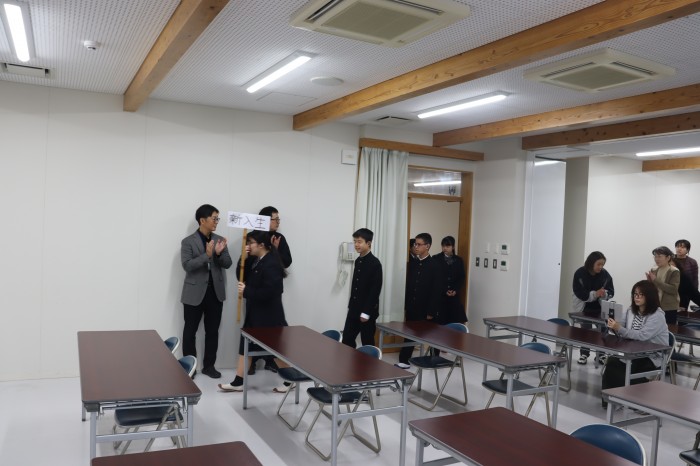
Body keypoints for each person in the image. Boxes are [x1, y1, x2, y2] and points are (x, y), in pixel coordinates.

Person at [218, 231, 291, 393]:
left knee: (273, 352)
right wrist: (243, 259)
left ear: (261, 244)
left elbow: (272, 291)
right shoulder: (256, 260)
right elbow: (241, 277)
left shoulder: (271, 263)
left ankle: (292, 378)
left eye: (250, 242)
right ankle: (238, 381)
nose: (248, 246)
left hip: (268, 317)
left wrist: (247, 291)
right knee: (246, 346)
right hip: (255, 313)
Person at [180, 204, 233, 379]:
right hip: (193, 293)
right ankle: (190, 367)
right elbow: (187, 265)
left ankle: (209, 366)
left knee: (212, 331)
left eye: (218, 218)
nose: (217, 221)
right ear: (202, 220)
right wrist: (207, 256)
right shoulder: (188, 241)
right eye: (214, 218)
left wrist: (217, 254)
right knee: (190, 332)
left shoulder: (220, 240)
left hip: (215, 293)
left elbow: (228, 263)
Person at [602, 280, 669, 408]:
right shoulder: (631, 310)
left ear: (649, 296)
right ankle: (610, 401)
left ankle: (631, 401)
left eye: (641, 295)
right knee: (612, 362)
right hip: (632, 351)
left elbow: (642, 336)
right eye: (635, 294)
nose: (637, 297)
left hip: (651, 355)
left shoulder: (657, 315)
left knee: (630, 367)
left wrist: (619, 328)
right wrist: (612, 325)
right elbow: (621, 325)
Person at [249, 205, 292, 375]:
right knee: (253, 328)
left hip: (271, 291)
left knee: (273, 331)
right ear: (265, 220)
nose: (278, 222)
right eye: (276, 219)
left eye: (278, 219)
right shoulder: (253, 237)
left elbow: (287, 261)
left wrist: (275, 249)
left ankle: (271, 361)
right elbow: (248, 262)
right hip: (253, 289)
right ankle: (251, 361)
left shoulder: (279, 238)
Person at [396, 232, 440, 369]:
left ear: (427, 246)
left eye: (419, 244)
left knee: (432, 335)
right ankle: (404, 360)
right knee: (409, 334)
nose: (416, 247)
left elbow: (436, 290)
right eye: (415, 244)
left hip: (426, 308)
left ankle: (434, 359)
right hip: (412, 306)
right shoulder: (413, 263)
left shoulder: (434, 265)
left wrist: (431, 311)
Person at [341, 228, 383, 348]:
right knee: (347, 339)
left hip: (367, 311)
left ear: (368, 243)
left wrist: (366, 312)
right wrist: (351, 306)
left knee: (367, 342)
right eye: (355, 241)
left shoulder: (375, 263)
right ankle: (352, 359)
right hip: (354, 308)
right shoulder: (358, 261)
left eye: (359, 242)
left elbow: (375, 290)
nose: (356, 244)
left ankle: (370, 361)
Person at [572, 251, 614, 365]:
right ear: (591, 263)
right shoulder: (580, 273)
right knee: (586, 331)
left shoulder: (605, 274)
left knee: (604, 330)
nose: (601, 267)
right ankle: (584, 354)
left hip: (599, 308)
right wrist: (595, 294)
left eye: (602, 264)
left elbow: (611, 291)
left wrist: (604, 294)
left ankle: (601, 355)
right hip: (584, 307)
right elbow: (579, 293)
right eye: (598, 264)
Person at [433, 236, 467, 324]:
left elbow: (461, 277)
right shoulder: (436, 258)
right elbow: (435, 279)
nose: (444, 248)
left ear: (453, 247)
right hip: (440, 296)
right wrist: (445, 290)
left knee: (454, 323)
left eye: (447, 246)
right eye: (443, 246)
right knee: (440, 324)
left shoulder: (459, 260)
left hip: (454, 297)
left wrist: (455, 290)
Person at [646, 246, 680, 324]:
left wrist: (655, 280)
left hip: (669, 307)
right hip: (655, 305)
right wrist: (649, 282)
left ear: (668, 258)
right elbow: (653, 288)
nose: (656, 259)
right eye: (655, 256)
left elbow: (673, 289)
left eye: (659, 256)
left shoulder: (674, 271)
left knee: (669, 328)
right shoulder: (653, 269)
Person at [674, 239, 700, 310]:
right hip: (673, 290)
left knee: (683, 311)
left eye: (682, 247)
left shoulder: (692, 262)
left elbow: (695, 278)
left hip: (686, 292)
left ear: (687, 250)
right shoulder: (671, 260)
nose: (679, 249)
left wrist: (693, 292)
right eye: (677, 246)